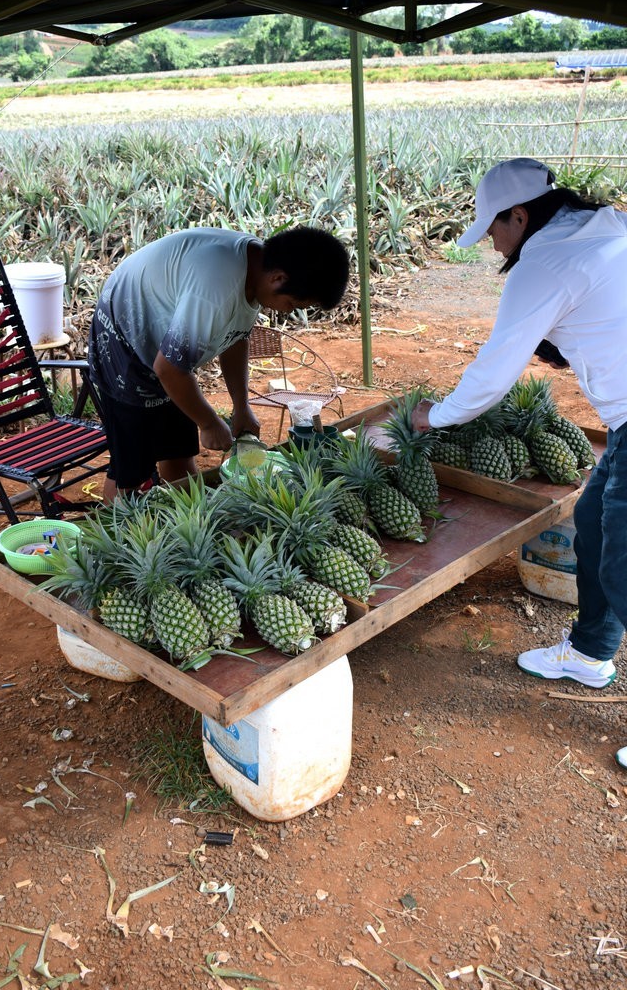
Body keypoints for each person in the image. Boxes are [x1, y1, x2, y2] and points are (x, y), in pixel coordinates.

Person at [411, 157, 627, 768]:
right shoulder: (606, 224)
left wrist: (438, 416)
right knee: (594, 524)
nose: (493, 246)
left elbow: (495, 371)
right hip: (623, 423)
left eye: (494, 231)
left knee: (623, 564)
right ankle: (589, 652)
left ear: (521, 215)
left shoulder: (544, 263)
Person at [88, 224, 349, 502]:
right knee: (132, 470)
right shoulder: (216, 288)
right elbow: (169, 369)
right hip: (123, 338)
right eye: (294, 304)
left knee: (177, 447)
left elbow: (235, 339)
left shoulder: (256, 269)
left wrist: (241, 406)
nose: (289, 311)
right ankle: (119, 535)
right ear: (278, 278)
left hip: (167, 346)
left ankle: (185, 515)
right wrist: (209, 423)